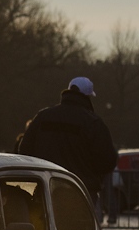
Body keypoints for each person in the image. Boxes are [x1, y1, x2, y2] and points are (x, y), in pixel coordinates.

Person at [18, 76, 117, 205]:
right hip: (81, 191)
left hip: (45, 189)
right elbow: (108, 159)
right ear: (87, 97)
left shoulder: (43, 117)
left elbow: (24, 150)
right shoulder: (93, 123)